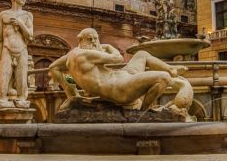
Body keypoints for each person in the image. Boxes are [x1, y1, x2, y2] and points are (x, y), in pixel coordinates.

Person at [49, 28, 192, 114]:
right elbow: (118, 58)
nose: (97, 43)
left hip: (122, 77)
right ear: (91, 40)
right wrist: (107, 46)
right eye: (96, 39)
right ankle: (143, 112)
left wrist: (69, 89)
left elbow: (53, 67)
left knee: (141, 54)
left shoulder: (71, 55)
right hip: (120, 89)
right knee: (164, 78)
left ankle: (171, 68)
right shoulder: (87, 55)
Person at [0, 0, 34, 108]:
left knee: (22, 76)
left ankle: (22, 99)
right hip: (7, 48)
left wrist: (21, 24)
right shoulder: (4, 14)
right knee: (4, 75)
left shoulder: (28, 15)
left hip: (22, 48)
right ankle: (2, 99)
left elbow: (30, 35)